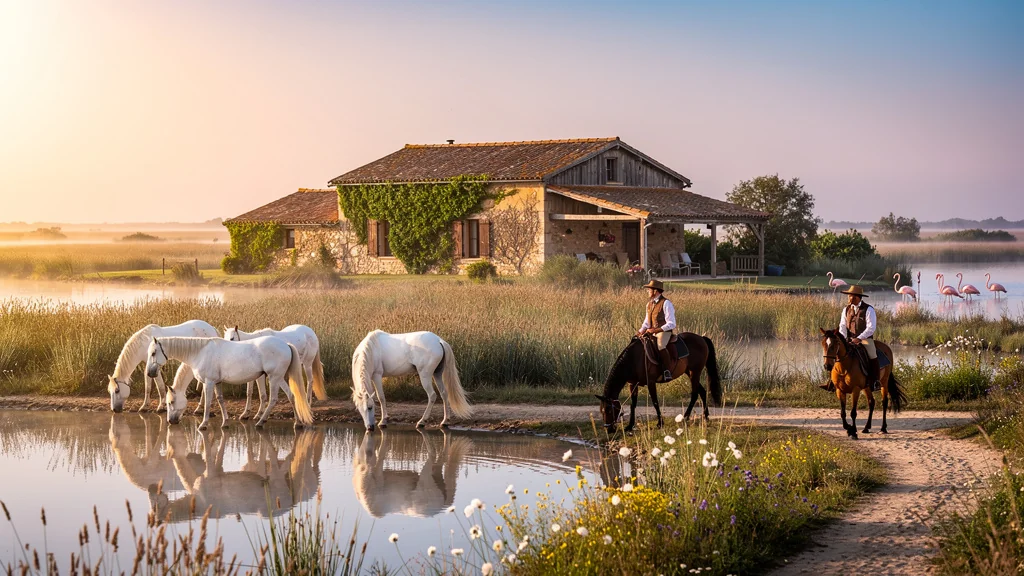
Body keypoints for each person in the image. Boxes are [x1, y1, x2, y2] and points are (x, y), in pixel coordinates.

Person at [821, 285, 880, 392]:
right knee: (835, 353)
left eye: (852, 296)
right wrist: (843, 339)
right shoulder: (846, 309)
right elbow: (842, 326)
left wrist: (859, 338)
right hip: (848, 339)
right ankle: (832, 382)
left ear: (858, 297)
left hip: (865, 339)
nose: (849, 298)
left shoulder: (868, 309)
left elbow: (871, 328)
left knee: (872, 355)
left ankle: (875, 381)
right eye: (849, 296)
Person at [637, 279, 676, 381]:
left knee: (660, 345)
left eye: (649, 289)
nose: (648, 291)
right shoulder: (649, 304)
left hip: (664, 332)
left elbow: (672, 323)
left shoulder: (666, 303)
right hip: (651, 331)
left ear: (655, 291)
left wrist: (656, 330)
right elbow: (647, 322)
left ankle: (667, 371)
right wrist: (640, 331)